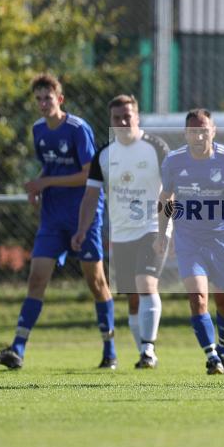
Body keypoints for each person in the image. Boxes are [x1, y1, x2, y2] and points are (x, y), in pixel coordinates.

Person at [0, 74, 117, 370]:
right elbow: (49, 165)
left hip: (84, 214)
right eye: (38, 99)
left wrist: (46, 182)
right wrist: (37, 185)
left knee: (96, 282)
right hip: (52, 217)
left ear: (60, 99)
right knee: (36, 278)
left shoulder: (78, 128)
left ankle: (110, 350)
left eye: (48, 98)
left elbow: (88, 174)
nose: (43, 104)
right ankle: (17, 349)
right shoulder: (38, 130)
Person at [73, 94, 169, 369]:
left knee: (146, 284)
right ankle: (144, 353)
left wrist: (164, 232)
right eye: (117, 118)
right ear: (111, 121)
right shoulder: (103, 155)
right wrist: (82, 230)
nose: (123, 121)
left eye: (128, 116)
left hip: (152, 226)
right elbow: (91, 197)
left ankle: (148, 350)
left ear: (137, 117)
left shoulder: (155, 147)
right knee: (132, 296)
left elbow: (170, 193)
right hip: (122, 233)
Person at [156, 109, 224, 374]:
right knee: (198, 297)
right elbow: (166, 198)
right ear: (186, 134)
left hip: (222, 237)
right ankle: (211, 356)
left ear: (213, 130)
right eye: (193, 131)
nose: (198, 135)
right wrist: (162, 234)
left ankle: (223, 346)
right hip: (188, 238)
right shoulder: (174, 162)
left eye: (203, 130)